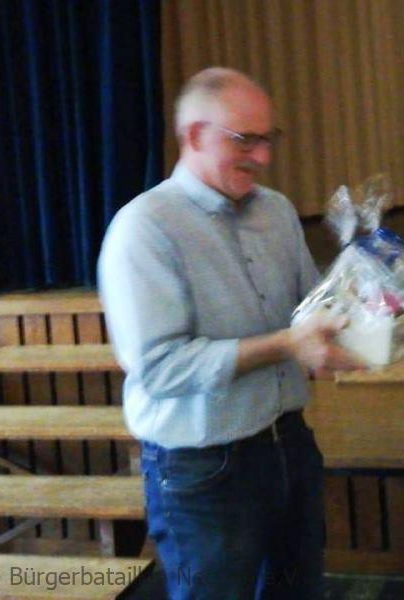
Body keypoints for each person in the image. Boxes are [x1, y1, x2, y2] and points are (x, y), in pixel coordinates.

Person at [98, 67, 362, 600]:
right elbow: (160, 368)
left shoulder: (277, 211)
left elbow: (310, 307)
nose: (262, 156)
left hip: (288, 444)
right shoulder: (144, 228)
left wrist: (376, 308)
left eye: (269, 139)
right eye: (245, 140)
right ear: (195, 136)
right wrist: (288, 345)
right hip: (202, 469)